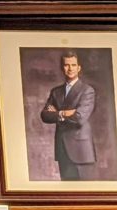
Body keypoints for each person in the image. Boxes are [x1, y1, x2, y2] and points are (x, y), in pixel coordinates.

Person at [40, 52, 96, 181]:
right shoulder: (56, 92)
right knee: (67, 194)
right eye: (66, 65)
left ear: (79, 68)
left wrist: (57, 113)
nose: (70, 68)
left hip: (81, 152)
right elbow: (45, 115)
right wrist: (64, 113)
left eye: (73, 65)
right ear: (62, 68)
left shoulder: (87, 90)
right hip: (62, 151)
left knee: (85, 195)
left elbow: (79, 118)